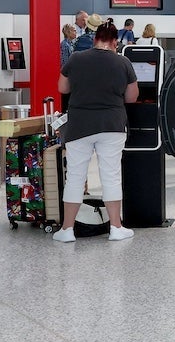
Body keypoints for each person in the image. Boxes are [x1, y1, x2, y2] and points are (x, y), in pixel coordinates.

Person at [53, 20, 138, 243]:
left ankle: (67, 230)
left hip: (80, 125)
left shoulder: (77, 58)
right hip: (112, 125)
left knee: (75, 177)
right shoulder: (123, 62)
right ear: (114, 42)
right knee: (111, 176)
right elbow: (132, 97)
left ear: (94, 39)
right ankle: (116, 228)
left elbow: (62, 88)